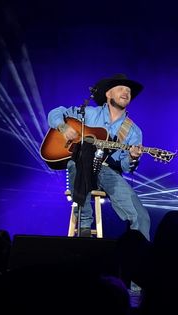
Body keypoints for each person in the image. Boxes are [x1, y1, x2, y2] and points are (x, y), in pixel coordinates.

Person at [47, 73, 150, 240]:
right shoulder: (88, 113)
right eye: (121, 88)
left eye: (129, 90)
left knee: (142, 216)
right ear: (108, 94)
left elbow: (124, 166)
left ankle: (139, 257)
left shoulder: (133, 131)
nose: (126, 92)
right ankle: (84, 225)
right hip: (81, 166)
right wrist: (63, 127)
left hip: (109, 173)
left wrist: (132, 157)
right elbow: (56, 112)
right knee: (78, 161)